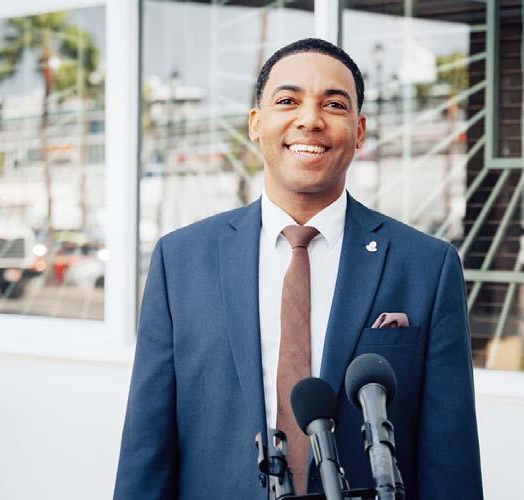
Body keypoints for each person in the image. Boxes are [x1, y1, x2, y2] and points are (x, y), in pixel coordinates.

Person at [114, 38, 483, 500]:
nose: (310, 119)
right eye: (288, 101)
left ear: (360, 131)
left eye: (334, 104)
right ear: (256, 123)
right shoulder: (181, 261)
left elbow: (451, 456)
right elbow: (146, 446)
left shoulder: (427, 267)